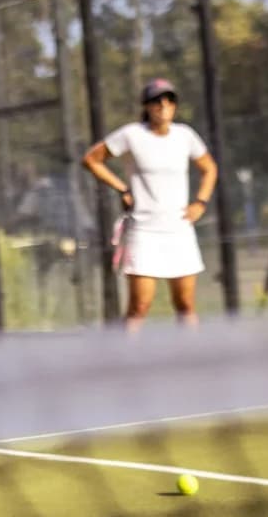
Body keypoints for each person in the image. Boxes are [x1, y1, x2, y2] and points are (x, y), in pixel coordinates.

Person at [81, 78, 217, 331]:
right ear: (146, 106)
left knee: (186, 304)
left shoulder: (185, 136)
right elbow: (91, 160)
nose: (163, 105)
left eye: (169, 99)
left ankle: (195, 363)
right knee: (139, 307)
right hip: (144, 231)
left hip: (179, 230)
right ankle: (126, 365)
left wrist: (200, 202)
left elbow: (209, 168)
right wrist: (122, 188)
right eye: (156, 100)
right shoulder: (131, 135)